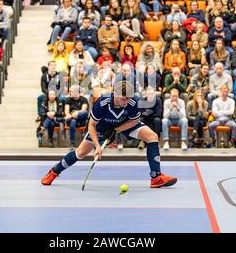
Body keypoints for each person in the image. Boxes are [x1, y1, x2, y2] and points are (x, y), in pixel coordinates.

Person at [41, 81, 178, 188]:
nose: (126, 103)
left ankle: (156, 177)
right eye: (123, 99)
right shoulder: (102, 102)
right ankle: (54, 171)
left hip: (124, 124)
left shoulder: (132, 101)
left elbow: (135, 120)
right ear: (115, 94)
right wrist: (97, 146)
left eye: (128, 99)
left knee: (152, 137)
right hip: (101, 127)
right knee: (80, 153)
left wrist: (116, 131)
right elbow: (92, 125)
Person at [64, 85, 89, 150]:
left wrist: (74, 113)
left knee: (85, 112)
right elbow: (66, 112)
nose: (69, 93)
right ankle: (72, 143)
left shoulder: (84, 99)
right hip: (71, 120)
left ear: (76, 92)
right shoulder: (68, 99)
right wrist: (72, 115)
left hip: (81, 120)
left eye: (70, 91)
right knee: (73, 121)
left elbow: (83, 110)